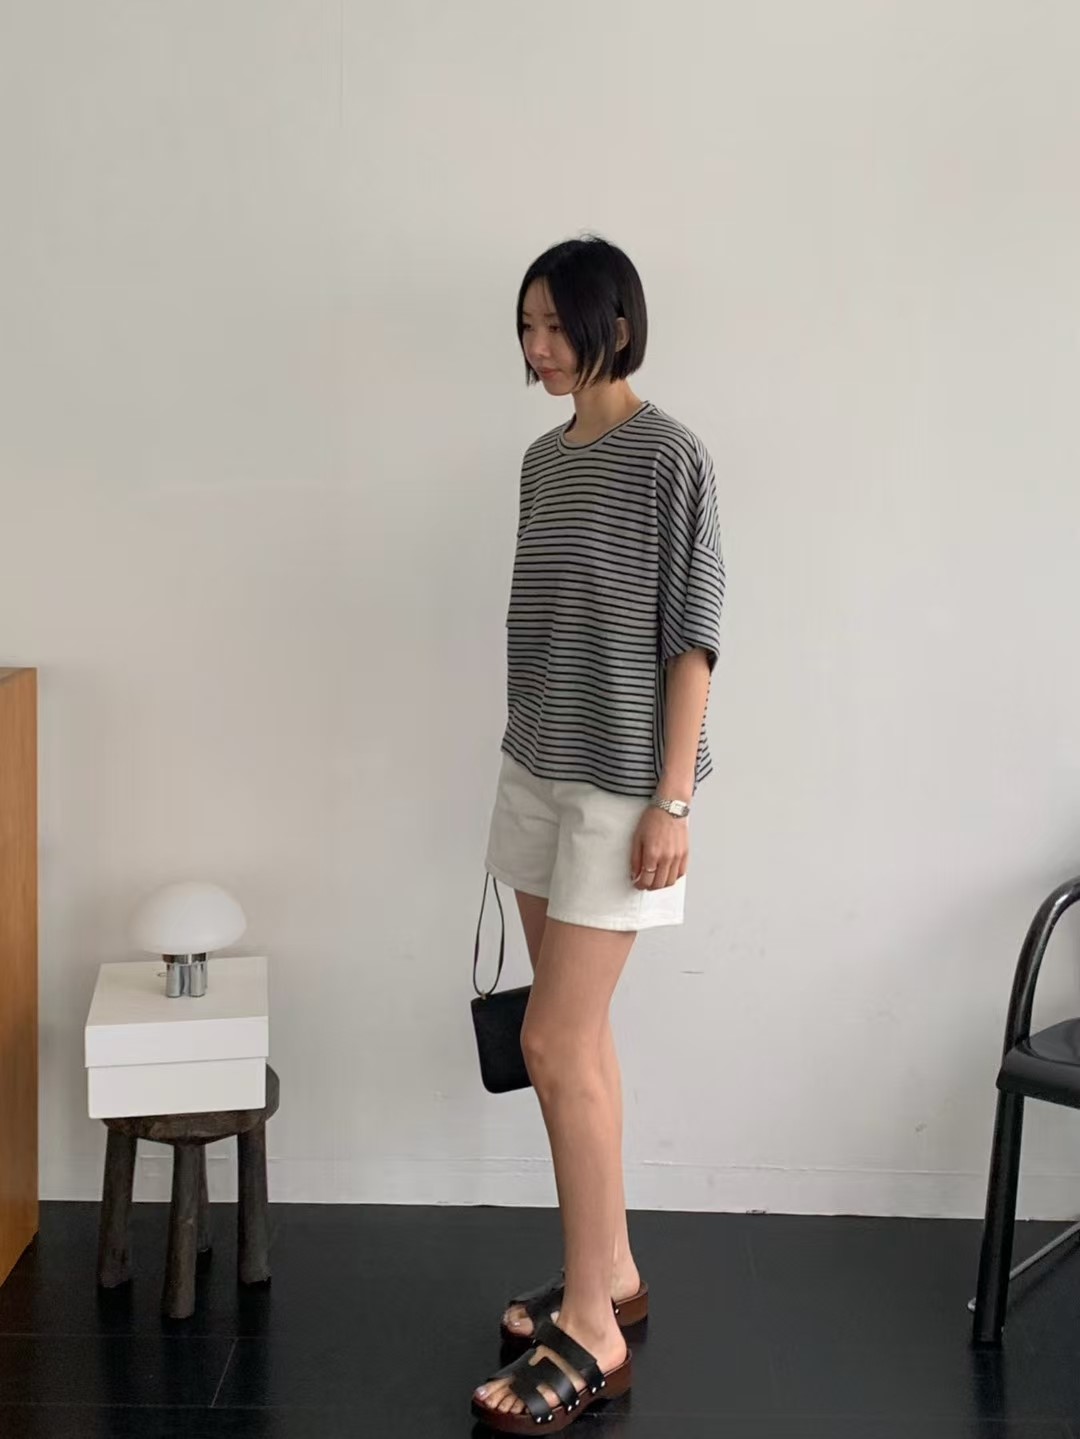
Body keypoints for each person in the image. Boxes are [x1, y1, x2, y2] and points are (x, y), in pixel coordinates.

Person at [472, 235, 725, 1432]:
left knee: (554, 1038)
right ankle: (609, 1267)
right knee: (575, 1038)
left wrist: (673, 800)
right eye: (525, 327)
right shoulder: (542, 460)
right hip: (538, 767)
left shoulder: (671, 454)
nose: (538, 348)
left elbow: (694, 635)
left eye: (556, 325)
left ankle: (590, 1328)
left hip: (624, 786)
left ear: (613, 323)